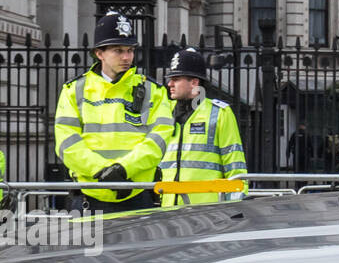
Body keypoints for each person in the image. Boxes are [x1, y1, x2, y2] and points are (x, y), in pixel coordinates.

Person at [54, 11, 173, 214]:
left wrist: (123, 169)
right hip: (89, 197)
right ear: (99, 53)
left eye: (130, 50)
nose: (127, 57)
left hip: (136, 195)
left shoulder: (154, 91)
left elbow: (159, 139)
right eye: (118, 51)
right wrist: (101, 171)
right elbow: (66, 142)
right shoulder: (74, 90)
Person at [158, 48, 247, 207]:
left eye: (176, 79)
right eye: (170, 79)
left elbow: (235, 168)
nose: (170, 84)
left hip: (207, 212)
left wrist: (236, 207)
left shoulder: (219, 113)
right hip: (167, 210)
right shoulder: (164, 113)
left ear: (194, 82)